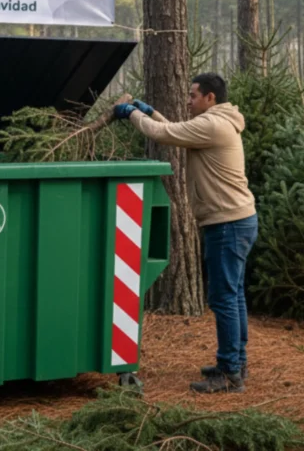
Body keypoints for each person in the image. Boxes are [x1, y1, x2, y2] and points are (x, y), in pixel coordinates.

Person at [115, 73, 257, 394]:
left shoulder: (212, 125)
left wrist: (131, 114)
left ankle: (229, 373)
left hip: (227, 224)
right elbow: (177, 131)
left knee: (223, 299)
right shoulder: (218, 122)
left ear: (210, 98)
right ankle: (236, 362)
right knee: (233, 296)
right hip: (239, 220)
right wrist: (149, 112)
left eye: (193, 95)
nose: (188, 100)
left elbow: (164, 134)